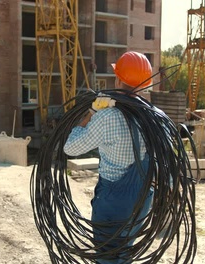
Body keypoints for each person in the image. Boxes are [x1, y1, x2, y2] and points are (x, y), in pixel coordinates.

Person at [63, 51, 154, 263]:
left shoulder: (107, 117)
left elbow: (70, 148)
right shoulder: (155, 117)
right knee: (124, 253)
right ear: (146, 83)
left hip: (113, 202)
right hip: (142, 198)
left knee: (107, 257)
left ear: (118, 79)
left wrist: (91, 113)